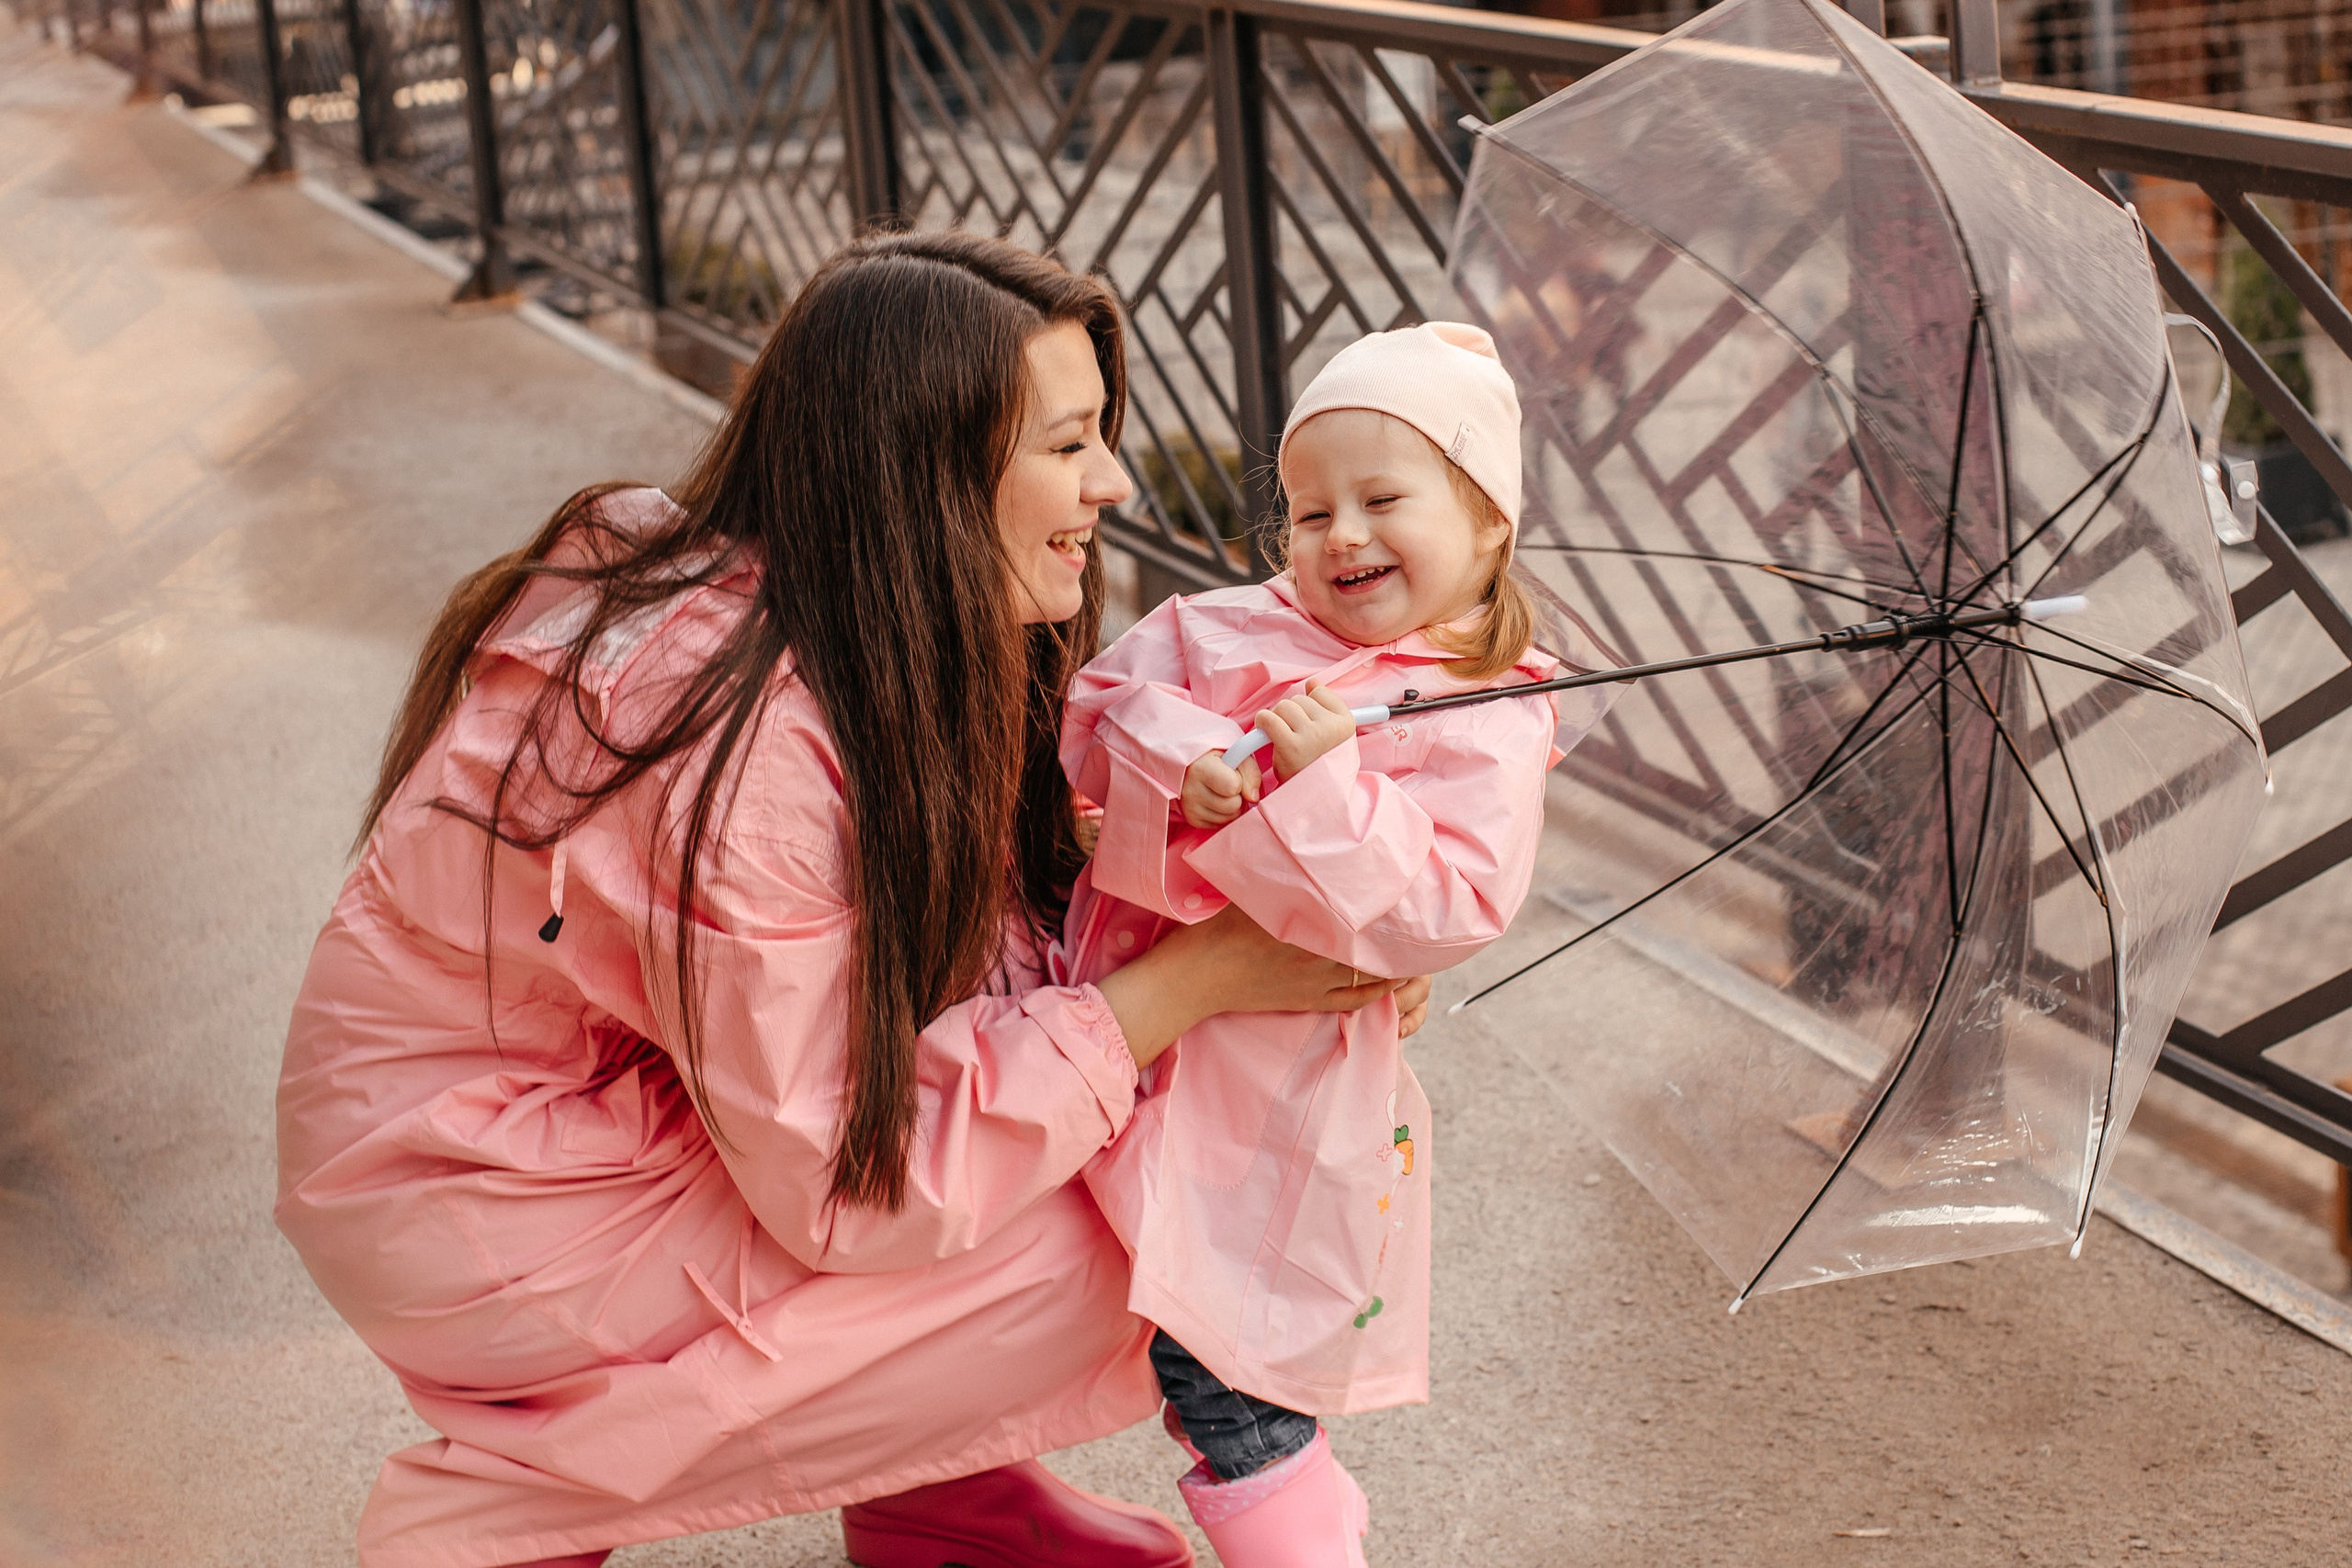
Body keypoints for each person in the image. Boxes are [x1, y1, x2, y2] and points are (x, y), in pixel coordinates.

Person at [273, 231, 1432, 1568]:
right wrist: (1199, 979)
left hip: (513, 1127)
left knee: (1104, 1102)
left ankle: (947, 1502)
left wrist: (1247, 899)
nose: (1110, 481)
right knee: (1155, 1221)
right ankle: (521, 1507)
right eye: (1067, 445)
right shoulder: (746, 758)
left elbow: (928, 932)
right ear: (923, 469)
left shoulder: (780, 598)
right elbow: (849, 1191)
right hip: (488, 1208)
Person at [1059, 324, 1596, 1564]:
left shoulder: (1490, 706)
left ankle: (1299, 1534)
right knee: (1090, 1299)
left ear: (1487, 527)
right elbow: (1095, 716)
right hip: (1121, 1022)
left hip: (1279, 1087)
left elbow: (1447, 904)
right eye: (1308, 513)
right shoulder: (1222, 627)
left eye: (1381, 500)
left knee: (1227, 1361)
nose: (1339, 535)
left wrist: (1319, 792)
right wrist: (1178, 764)